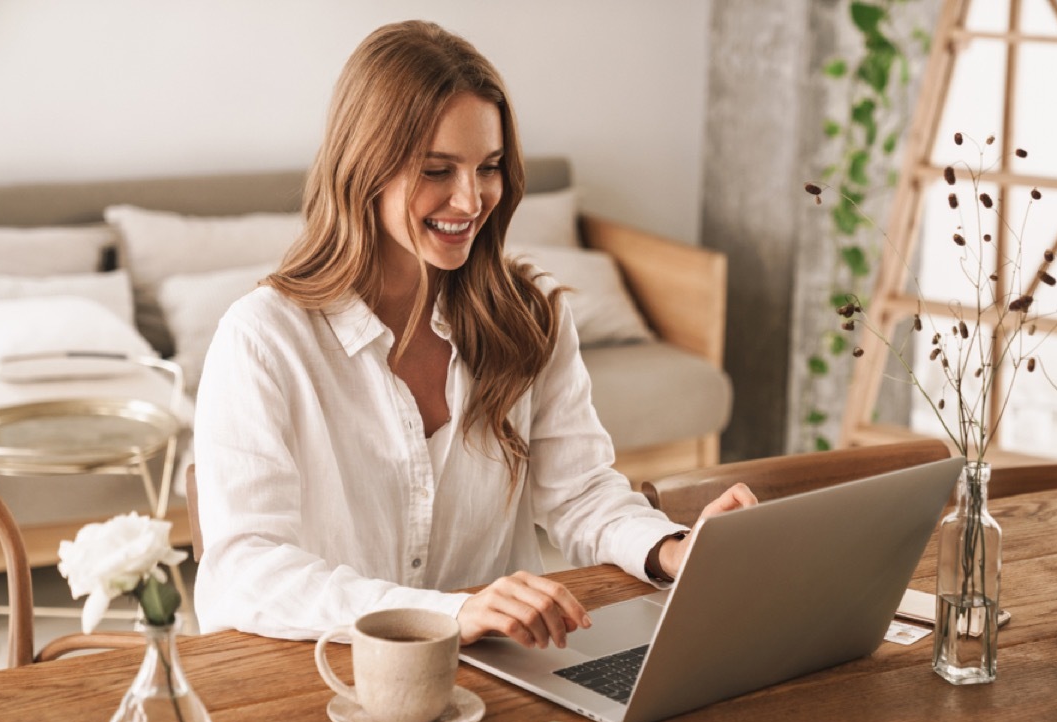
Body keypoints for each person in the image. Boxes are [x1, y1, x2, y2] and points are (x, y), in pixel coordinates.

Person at [192, 20, 755, 649]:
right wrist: (444, 612)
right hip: (324, 675)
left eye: (488, 168)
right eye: (437, 169)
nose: (469, 200)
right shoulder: (264, 339)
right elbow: (246, 570)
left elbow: (578, 492)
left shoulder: (531, 315)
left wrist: (673, 549)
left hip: (503, 673)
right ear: (364, 165)